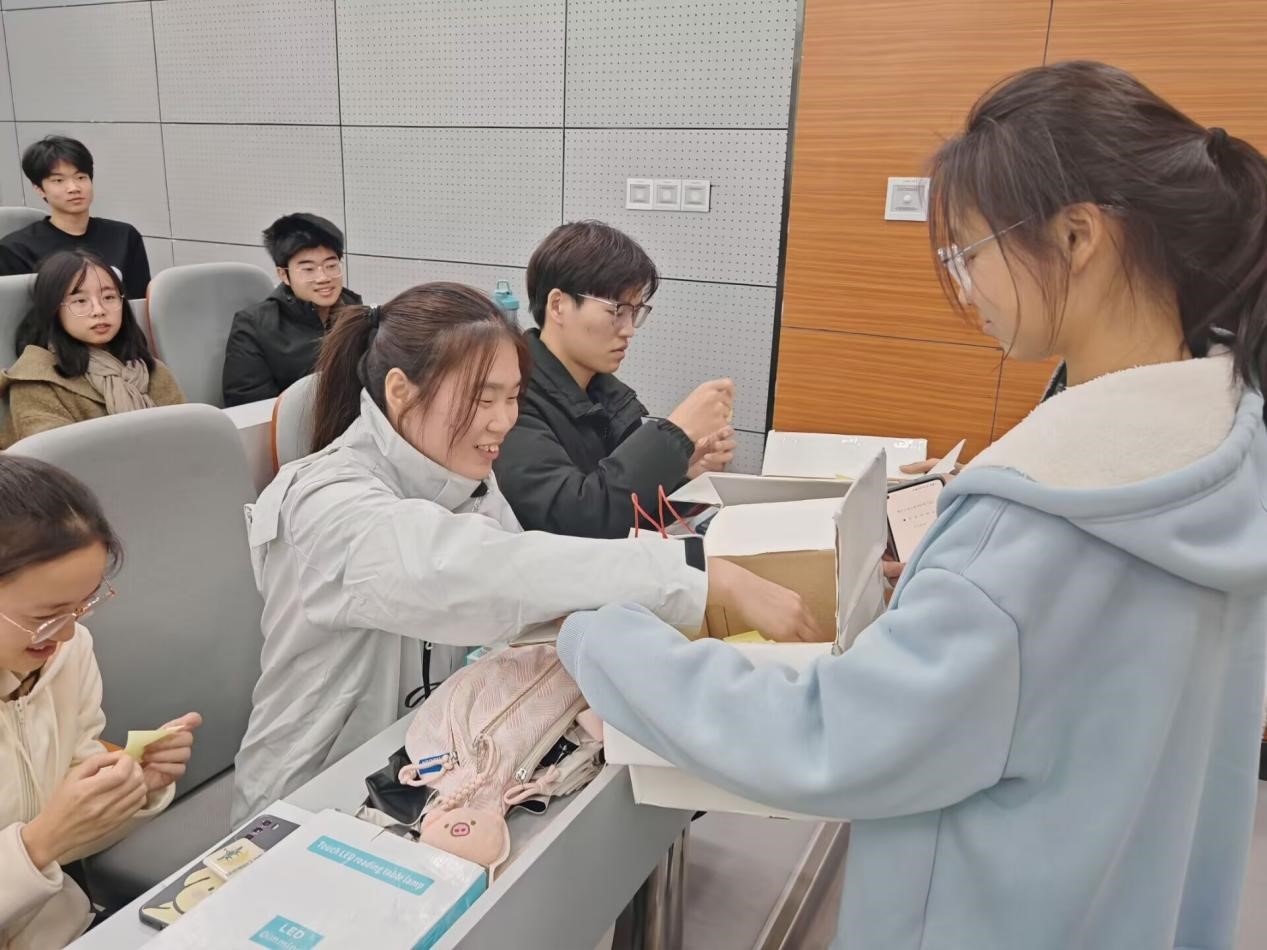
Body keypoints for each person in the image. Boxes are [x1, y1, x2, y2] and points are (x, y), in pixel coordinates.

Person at [553, 61, 1267, 950]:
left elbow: (829, 741)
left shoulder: (1033, 526)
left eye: (969, 251)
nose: (965, 288)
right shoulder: (1230, 448)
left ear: (1077, 236)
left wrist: (604, 638)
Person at [231, 281, 821, 824]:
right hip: (312, 801)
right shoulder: (328, 501)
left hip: (434, 767)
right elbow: (481, 573)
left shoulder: (461, 477)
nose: (504, 422)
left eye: (513, 398)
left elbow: (530, 597)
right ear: (400, 392)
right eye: (483, 399)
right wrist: (699, 578)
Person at [0, 456, 200, 950]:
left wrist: (134, 788)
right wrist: (37, 845)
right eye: (46, 616)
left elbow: (68, 831)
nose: (69, 633)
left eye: (83, 605)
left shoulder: (65, 654)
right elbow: (50, 838)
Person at [493, 220, 737, 539]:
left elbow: (627, 510)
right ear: (558, 305)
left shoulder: (606, 396)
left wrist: (685, 469)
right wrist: (675, 434)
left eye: (635, 312)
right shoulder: (512, 399)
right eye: (617, 311)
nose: (629, 329)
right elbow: (579, 518)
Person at [0, 250, 184, 448]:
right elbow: (53, 458)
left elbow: (189, 437)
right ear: (53, 309)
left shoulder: (152, 370)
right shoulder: (34, 382)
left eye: (109, 297)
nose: (99, 310)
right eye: (80, 301)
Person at [221, 213, 362, 407]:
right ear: (283, 274)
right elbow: (248, 405)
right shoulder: (253, 326)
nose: (323, 278)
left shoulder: (355, 312)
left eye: (331, 265)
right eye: (308, 269)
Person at [0, 136, 150, 297]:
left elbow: (137, 302)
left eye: (81, 177)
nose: (73, 188)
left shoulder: (124, 236)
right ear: (39, 189)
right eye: (58, 180)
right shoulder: (16, 250)